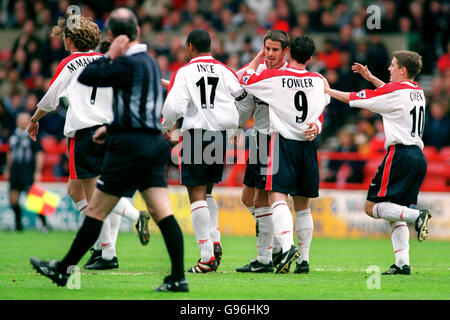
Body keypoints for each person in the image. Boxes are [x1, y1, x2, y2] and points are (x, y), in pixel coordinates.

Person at [30, 7, 188, 292]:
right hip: (152, 143)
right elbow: (133, 107)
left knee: (96, 210)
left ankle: (66, 268)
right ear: (138, 31)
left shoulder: (122, 62)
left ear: (115, 36)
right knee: (162, 212)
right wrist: (111, 127)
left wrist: (111, 54)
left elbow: (89, 76)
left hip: (129, 145)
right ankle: (178, 277)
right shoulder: (150, 62)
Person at [27, 12, 150, 270]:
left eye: (64, 37)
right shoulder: (106, 60)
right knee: (78, 190)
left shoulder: (70, 63)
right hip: (109, 131)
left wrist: (34, 118)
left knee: (97, 197)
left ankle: (112, 246)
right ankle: (102, 250)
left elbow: (50, 99)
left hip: (85, 132)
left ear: (70, 39)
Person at [326, 51, 432, 275]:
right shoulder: (417, 91)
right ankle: (402, 263)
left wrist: (327, 90)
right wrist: (372, 78)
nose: (389, 68)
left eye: (393, 66)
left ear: (403, 70)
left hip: (400, 154)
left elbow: (354, 98)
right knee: (396, 211)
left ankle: (418, 216)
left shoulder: (394, 92)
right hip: (417, 156)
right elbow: (392, 94)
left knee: (371, 207)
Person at [162, 29, 253, 273]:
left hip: (196, 135)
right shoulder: (224, 71)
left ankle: (206, 257)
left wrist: (166, 127)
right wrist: (236, 124)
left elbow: (174, 107)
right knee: (208, 192)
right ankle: (214, 238)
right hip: (219, 136)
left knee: (196, 196)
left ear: (190, 47)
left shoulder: (184, 72)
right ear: (209, 46)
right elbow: (245, 99)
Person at [240, 35, 330, 274]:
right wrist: (317, 126)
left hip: (277, 141)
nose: (269, 53)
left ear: (287, 52)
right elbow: (322, 105)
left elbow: (244, 80)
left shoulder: (274, 76)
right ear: (310, 57)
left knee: (273, 199)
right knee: (298, 205)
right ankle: (301, 259)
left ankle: (278, 250)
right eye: (266, 49)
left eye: (273, 49)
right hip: (304, 144)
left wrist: (256, 57)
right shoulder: (318, 79)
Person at [5, 112, 46, 232]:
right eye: (20, 119)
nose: (22, 122)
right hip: (15, 171)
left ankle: (44, 224)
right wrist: (8, 169)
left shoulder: (33, 134)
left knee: (34, 199)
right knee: (13, 198)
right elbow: (10, 153)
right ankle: (18, 226)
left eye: (25, 120)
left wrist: (38, 171)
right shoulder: (13, 135)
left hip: (28, 171)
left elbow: (39, 153)